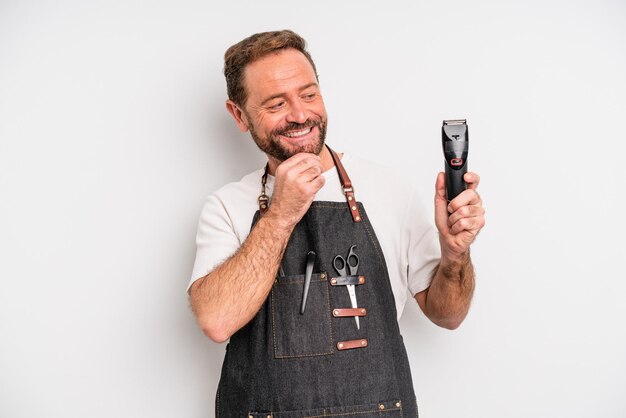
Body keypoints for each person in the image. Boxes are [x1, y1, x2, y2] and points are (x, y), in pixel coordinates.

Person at [188, 29, 485, 417]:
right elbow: (217, 320)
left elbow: (449, 315)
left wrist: (455, 254)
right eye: (276, 104)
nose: (300, 115)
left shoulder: (389, 189)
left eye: (309, 95)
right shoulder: (227, 206)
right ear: (239, 115)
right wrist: (280, 214)